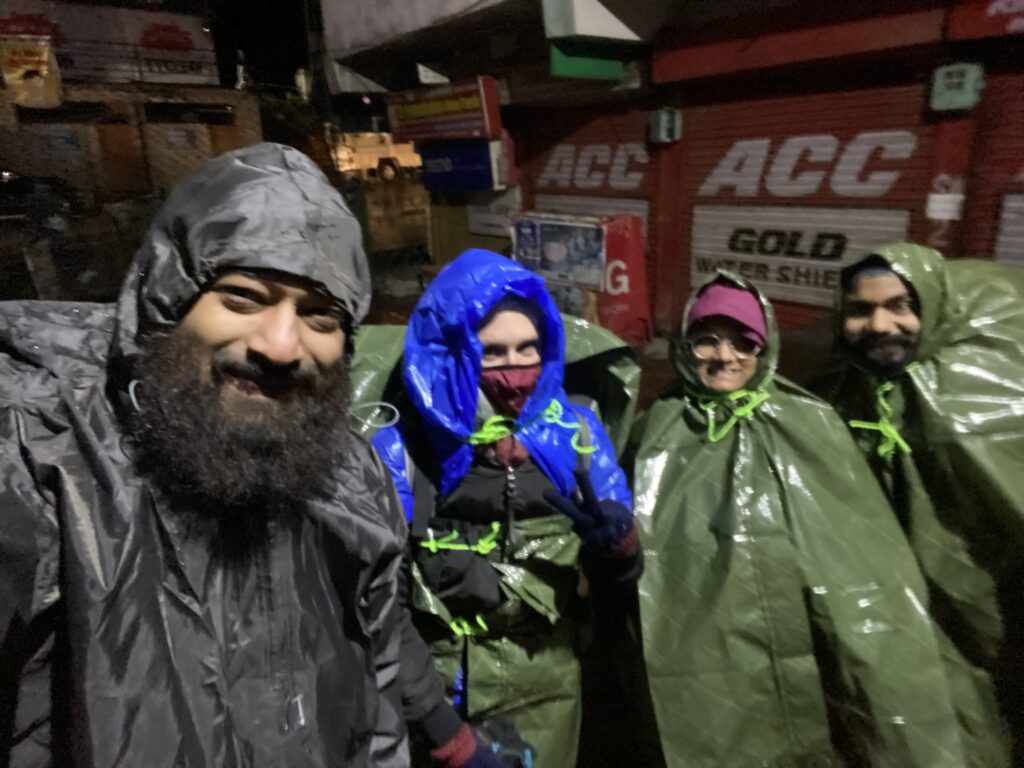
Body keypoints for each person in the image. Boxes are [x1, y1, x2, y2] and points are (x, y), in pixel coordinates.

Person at [0, 144, 505, 768]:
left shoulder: (349, 478)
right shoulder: (38, 456)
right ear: (166, 300)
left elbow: (374, 704)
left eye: (320, 316)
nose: (281, 344)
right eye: (242, 298)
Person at [626, 270, 1005, 767]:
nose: (724, 356)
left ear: (765, 347)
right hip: (713, 650)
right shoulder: (653, 433)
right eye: (705, 341)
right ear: (684, 344)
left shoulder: (810, 419)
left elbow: (861, 549)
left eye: (744, 341)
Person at [369, 249, 640, 767]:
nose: (514, 372)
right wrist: (444, 733)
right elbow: (381, 609)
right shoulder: (400, 450)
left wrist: (620, 549)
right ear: (450, 352)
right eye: (490, 352)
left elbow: (613, 590)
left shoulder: (575, 434)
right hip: (441, 699)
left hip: (549, 690)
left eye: (529, 348)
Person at [815, 242, 1024, 763]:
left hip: (987, 602)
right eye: (860, 311)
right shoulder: (838, 393)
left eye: (899, 306)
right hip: (899, 607)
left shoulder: (987, 395)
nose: (880, 325)